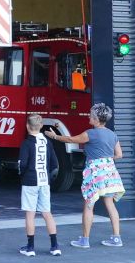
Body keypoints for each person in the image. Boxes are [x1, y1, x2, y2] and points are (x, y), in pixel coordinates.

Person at [46, 103, 125, 249]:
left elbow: (71, 140)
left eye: (91, 115)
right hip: (110, 171)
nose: (89, 116)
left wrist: (54, 136)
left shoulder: (90, 134)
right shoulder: (112, 134)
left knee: (89, 205)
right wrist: (106, 160)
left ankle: (85, 240)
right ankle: (116, 238)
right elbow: (119, 155)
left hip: (94, 171)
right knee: (110, 204)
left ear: (96, 119)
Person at [18, 114, 60, 257]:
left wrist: (22, 175)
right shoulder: (47, 142)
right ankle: (55, 246)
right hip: (44, 181)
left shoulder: (26, 143)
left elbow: (22, 164)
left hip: (30, 181)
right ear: (41, 126)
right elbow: (54, 164)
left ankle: (30, 247)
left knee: (30, 214)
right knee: (47, 213)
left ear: (27, 126)